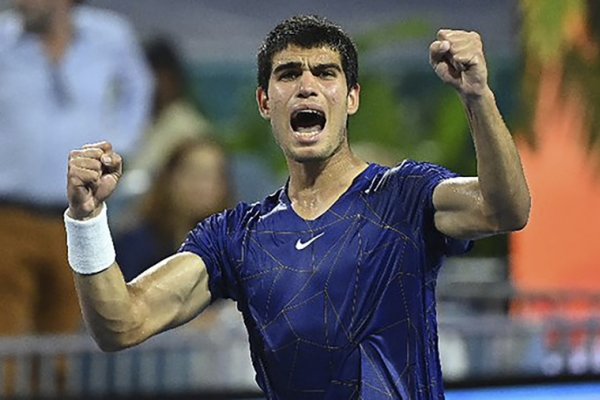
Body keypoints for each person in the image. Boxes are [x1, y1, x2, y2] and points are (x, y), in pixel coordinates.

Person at [64, 15, 530, 399]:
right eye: (288, 74)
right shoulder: (235, 237)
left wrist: (478, 97)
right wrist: (86, 221)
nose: (307, 86)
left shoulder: (404, 196)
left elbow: (503, 210)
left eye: (325, 73)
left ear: (351, 98)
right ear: (266, 102)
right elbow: (121, 324)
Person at [115, 137, 232, 282]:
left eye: (213, 176)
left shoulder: (234, 249)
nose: (204, 187)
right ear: (169, 178)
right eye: (195, 174)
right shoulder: (135, 243)